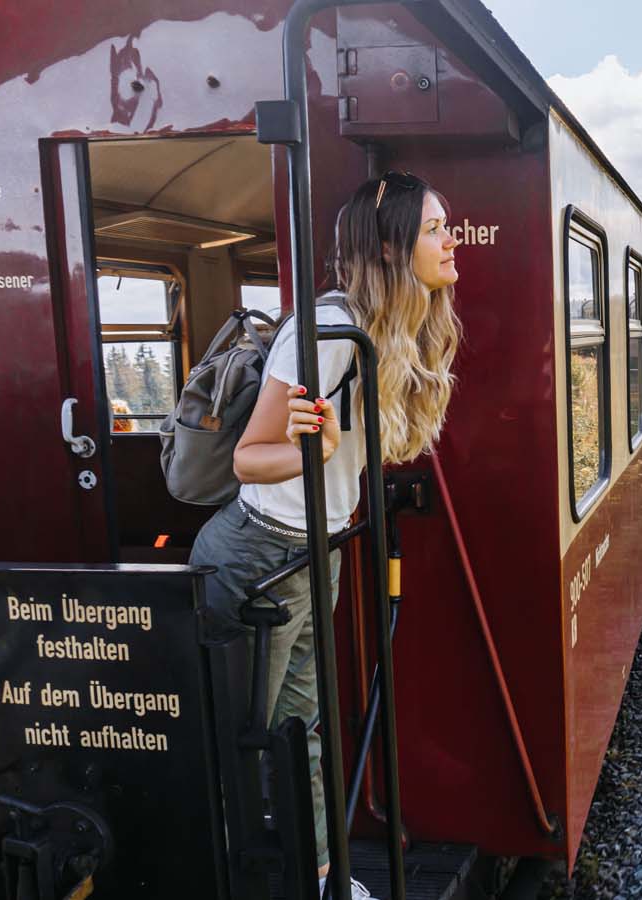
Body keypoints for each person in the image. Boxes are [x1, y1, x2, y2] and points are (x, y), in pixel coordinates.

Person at [189, 171, 460, 899]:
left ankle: (319, 880)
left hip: (315, 551)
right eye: (435, 229)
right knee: (240, 738)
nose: (449, 240)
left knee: (300, 728)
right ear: (392, 248)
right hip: (255, 555)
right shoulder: (327, 333)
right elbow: (251, 458)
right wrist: (324, 451)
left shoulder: (382, 331)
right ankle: (214, 874)